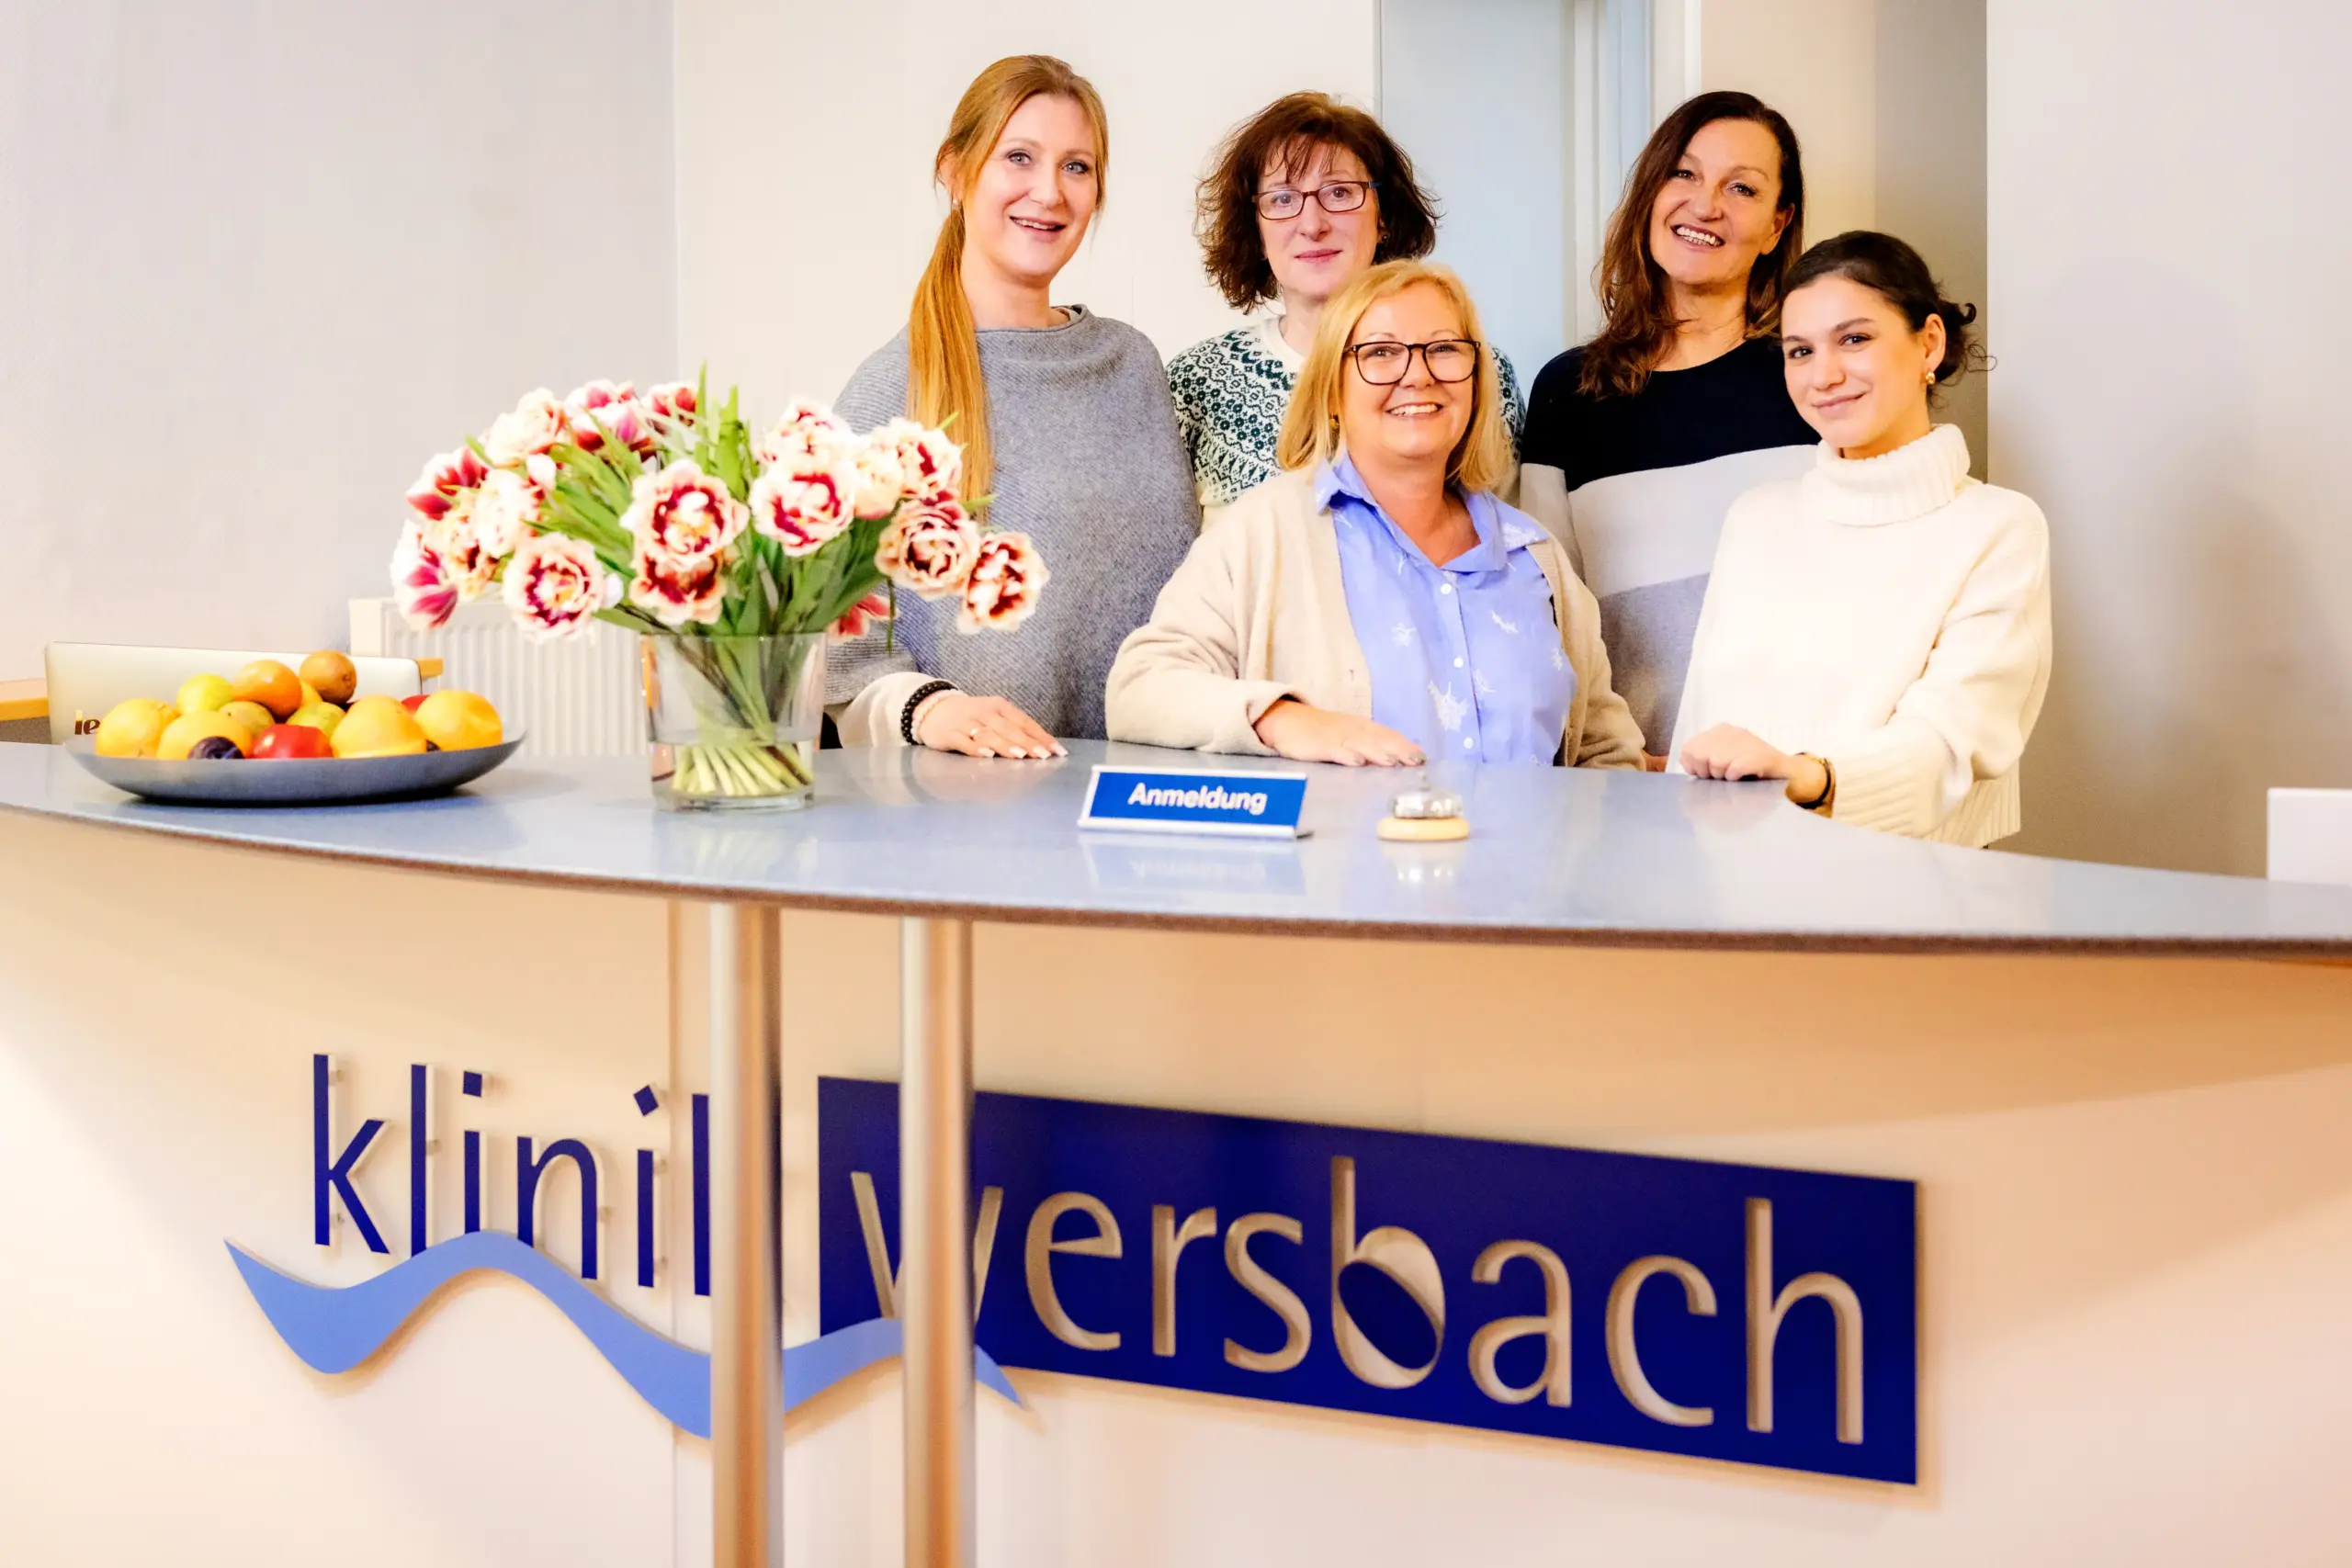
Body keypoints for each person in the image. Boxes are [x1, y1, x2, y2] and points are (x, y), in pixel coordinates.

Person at [1107, 261, 1641, 771]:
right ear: (1331, 391)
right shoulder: (1262, 534)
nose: (1418, 375)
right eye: (1381, 352)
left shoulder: (1537, 557)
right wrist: (1283, 720)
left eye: (1444, 349)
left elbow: (1609, 758)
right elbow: (1140, 689)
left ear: (1476, 381)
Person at [828, 55, 1199, 756]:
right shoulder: (891, 391)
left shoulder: (1131, 365)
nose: (1049, 192)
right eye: (1019, 157)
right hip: (976, 796)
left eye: (1076, 167)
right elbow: (835, 640)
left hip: (1143, 784)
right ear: (955, 171)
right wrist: (929, 710)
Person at [1673, 231, 2051, 846]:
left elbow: (1950, 747)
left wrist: (1809, 778)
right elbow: (1696, 734)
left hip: (1911, 893)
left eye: (1854, 339)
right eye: (1800, 351)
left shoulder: (1998, 529)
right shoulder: (1756, 518)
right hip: (1731, 884)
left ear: (1929, 343)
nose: (1824, 375)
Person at [1517, 91, 1816, 761]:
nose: (1705, 204)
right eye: (1684, 173)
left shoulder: (1812, 377)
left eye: (1741, 188)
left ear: (1777, 225)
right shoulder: (1568, 391)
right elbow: (1551, 612)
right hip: (1634, 779)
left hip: (1799, 776)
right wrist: (1620, 757)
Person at [1166, 92, 1526, 513]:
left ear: (1383, 216)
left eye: (1339, 192)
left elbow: (1508, 539)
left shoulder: (1469, 372)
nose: (1312, 224)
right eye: (1282, 199)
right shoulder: (1196, 383)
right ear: (1257, 232)